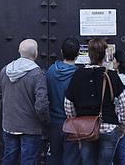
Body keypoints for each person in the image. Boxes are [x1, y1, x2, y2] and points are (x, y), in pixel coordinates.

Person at [64, 39, 125, 165]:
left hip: (85, 127)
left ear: (89, 54)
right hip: (109, 126)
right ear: (104, 54)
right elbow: (124, 105)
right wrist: (122, 125)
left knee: (87, 162)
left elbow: (68, 103)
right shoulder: (111, 75)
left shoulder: (77, 75)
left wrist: (74, 120)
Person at [0, 39, 50, 165]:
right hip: (31, 127)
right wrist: (45, 121)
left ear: (19, 51)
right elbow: (41, 104)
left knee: (9, 158)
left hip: (9, 125)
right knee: (28, 160)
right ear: (35, 53)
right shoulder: (37, 74)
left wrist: (8, 109)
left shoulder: (6, 70)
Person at [46, 37, 81, 165]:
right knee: (71, 159)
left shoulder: (50, 71)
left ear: (61, 51)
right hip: (72, 122)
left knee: (55, 158)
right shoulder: (78, 74)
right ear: (78, 54)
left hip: (54, 121)